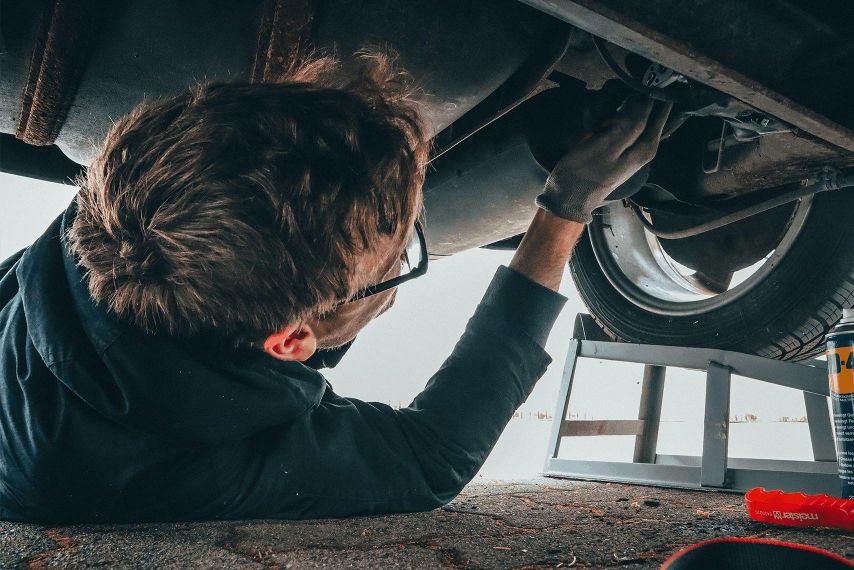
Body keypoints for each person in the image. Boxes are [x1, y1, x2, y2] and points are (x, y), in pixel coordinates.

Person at [0, 54, 670, 523]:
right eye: (399, 255)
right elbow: (431, 457)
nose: (405, 247)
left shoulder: (129, 206)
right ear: (291, 340)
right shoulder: (173, 464)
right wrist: (563, 211)